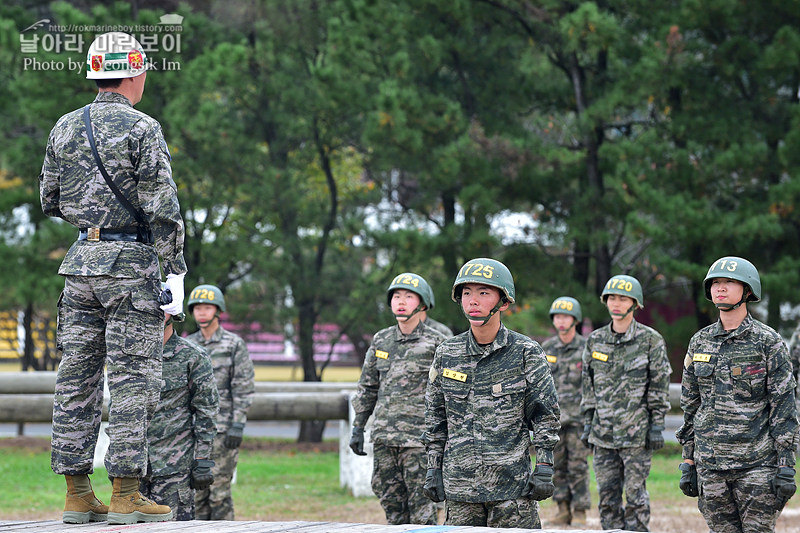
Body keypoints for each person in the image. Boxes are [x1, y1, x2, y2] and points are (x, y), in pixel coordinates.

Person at [40, 32, 185, 525]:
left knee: (76, 377)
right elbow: (163, 207)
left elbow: (49, 198)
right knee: (133, 378)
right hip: (130, 267)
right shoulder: (143, 127)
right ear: (134, 73)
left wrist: (93, 222)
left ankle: (77, 494)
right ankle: (125, 493)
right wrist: (177, 270)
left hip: (80, 263)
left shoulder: (64, 125)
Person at [423, 258, 560, 528]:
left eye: (483, 293)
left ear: (504, 301)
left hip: (512, 491)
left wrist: (544, 466)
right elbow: (436, 419)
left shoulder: (526, 352)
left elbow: (545, 415)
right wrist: (432, 467)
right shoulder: (446, 353)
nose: (473, 301)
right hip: (461, 491)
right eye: (466, 293)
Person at [676, 256, 799, 533]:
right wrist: (688, 461)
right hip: (711, 467)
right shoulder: (700, 341)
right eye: (716, 283)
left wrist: (786, 464)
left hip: (757, 466)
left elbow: (784, 407)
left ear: (747, 291)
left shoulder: (768, 342)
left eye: (729, 282)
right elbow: (691, 405)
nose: (720, 288)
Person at [350, 272, 449, 524]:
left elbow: (449, 393)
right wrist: (358, 427)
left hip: (419, 441)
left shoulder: (438, 342)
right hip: (385, 439)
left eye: (408, 296)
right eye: (396, 296)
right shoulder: (381, 340)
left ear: (423, 304)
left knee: (422, 511)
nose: (401, 301)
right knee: (391, 506)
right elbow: (368, 386)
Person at [580, 274, 670, 532]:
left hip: (636, 434)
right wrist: (588, 423)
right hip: (603, 434)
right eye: (611, 298)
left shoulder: (650, 340)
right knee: (607, 498)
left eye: (623, 299)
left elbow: (659, 385)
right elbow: (588, 385)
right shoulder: (595, 340)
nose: (616, 304)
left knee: (635, 497)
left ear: (636, 304)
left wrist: (656, 426)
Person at [140, 304, 219, 520]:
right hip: (132, 470)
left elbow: (207, 412)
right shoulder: (130, 358)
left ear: (174, 313)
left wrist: (203, 460)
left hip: (173, 469)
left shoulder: (193, 356)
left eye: (161, 308)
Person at [186, 284, 254, 520]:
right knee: (195, 495)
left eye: (207, 307)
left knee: (219, 493)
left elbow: (243, 387)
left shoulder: (234, 344)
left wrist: (238, 424)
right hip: (192, 430)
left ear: (218, 311)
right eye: (197, 308)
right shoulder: (189, 345)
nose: (201, 313)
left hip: (223, 430)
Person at [541, 296, 590, 526]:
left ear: (575, 319)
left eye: (566, 316)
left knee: (578, 466)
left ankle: (580, 510)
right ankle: (562, 508)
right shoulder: (547, 348)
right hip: (554, 420)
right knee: (557, 466)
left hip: (578, 419)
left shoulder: (586, 348)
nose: (561, 321)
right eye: (557, 316)